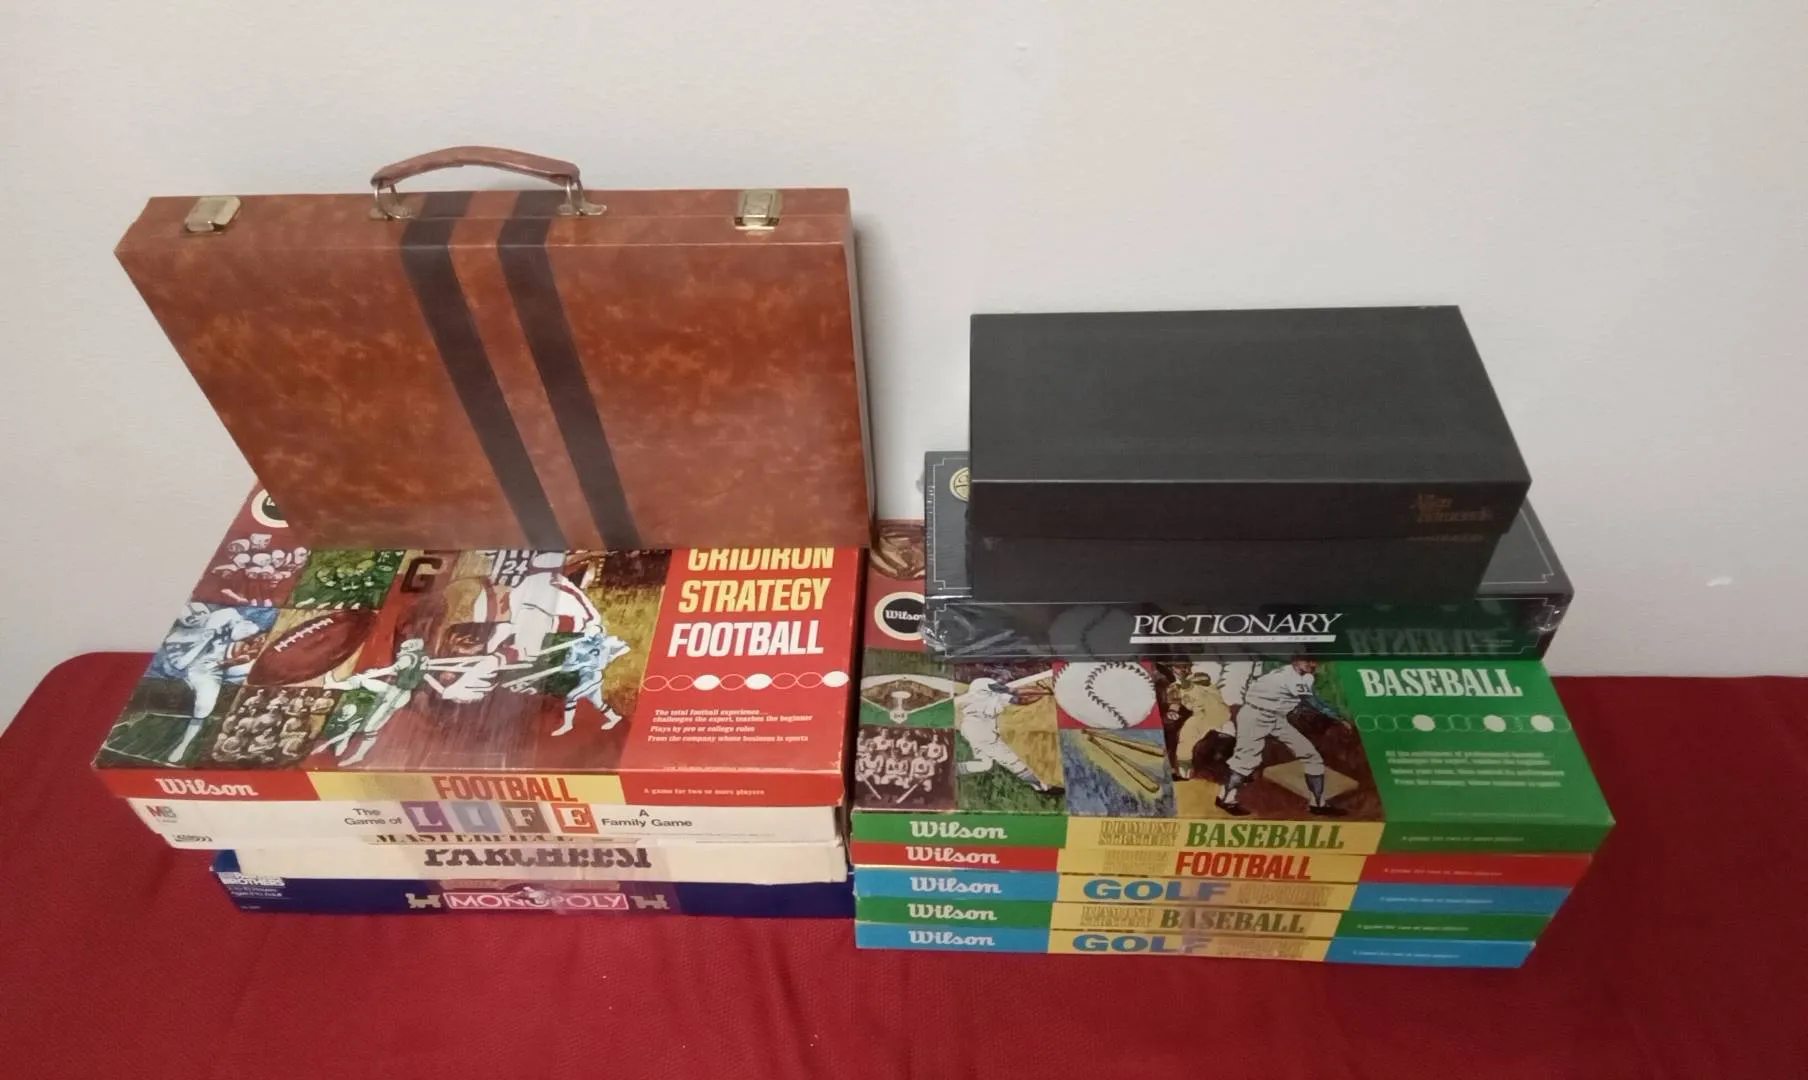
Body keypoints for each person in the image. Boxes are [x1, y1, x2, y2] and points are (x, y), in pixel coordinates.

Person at [1215, 657, 1348, 817]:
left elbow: (1308, 698)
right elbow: (1312, 701)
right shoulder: (1286, 676)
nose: (1313, 664)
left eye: (1315, 661)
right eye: (1308, 661)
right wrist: (1337, 717)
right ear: (1296, 661)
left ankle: (1318, 804)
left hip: (1277, 718)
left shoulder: (1305, 676)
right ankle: (1225, 799)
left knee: (1312, 757)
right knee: (1245, 761)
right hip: (1254, 716)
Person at [956, 677, 1059, 793]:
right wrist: (1045, 692)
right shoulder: (991, 692)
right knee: (1012, 760)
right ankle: (1042, 787)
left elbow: (1017, 694)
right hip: (982, 731)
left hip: (969, 727)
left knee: (985, 764)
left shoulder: (982, 691)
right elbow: (1020, 696)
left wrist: (1043, 691)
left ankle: (952, 769)